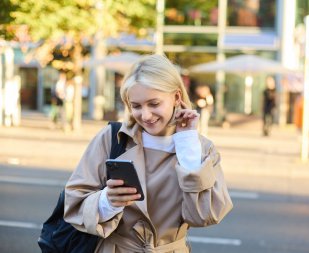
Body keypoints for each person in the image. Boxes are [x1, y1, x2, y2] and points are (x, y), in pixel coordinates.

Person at [64, 54, 233, 252]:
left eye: (154, 104)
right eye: (136, 106)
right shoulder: (112, 138)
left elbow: (205, 215)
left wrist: (187, 143)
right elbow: (74, 204)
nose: (145, 115)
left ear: (176, 97)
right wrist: (107, 202)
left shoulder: (201, 148)